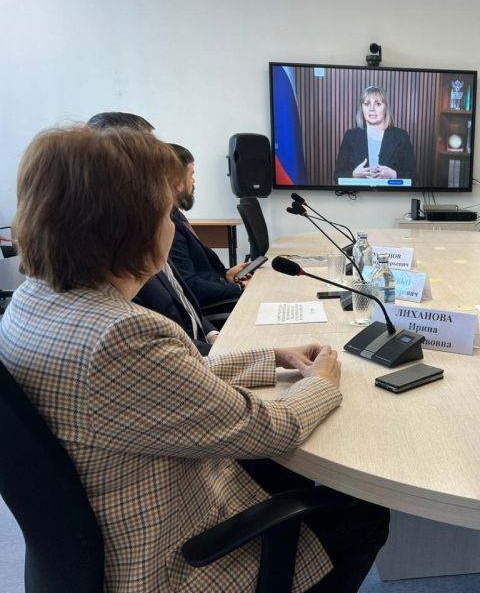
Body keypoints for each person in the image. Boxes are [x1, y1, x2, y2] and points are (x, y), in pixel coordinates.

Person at [0, 125, 388, 592]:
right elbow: (270, 430)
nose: (173, 224)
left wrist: (274, 357)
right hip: (170, 558)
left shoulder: (33, 303)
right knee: (366, 515)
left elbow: (176, 380)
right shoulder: (122, 334)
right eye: (167, 211)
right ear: (132, 226)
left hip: (118, 523)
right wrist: (321, 384)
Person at [85, 113, 220, 353]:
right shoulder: (120, 256)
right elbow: (162, 347)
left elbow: (184, 302)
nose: (162, 174)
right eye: (151, 162)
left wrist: (213, 335)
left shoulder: (148, 230)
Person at [167, 143, 253, 307]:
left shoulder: (176, 215)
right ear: (177, 181)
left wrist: (225, 275)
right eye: (191, 174)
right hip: (211, 308)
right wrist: (239, 287)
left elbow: (197, 272)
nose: (193, 181)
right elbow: (190, 287)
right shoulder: (168, 226)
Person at [334, 85, 416, 183]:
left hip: (390, 192)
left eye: (378, 104)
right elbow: (337, 176)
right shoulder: (350, 136)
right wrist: (353, 175)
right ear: (362, 108)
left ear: (386, 108)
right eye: (366, 104)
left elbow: (413, 178)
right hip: (359, 192)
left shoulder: (401, 136)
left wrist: (394, 175)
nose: (371, 109)